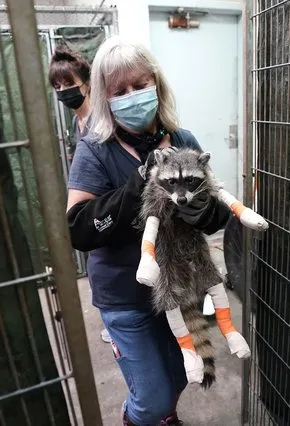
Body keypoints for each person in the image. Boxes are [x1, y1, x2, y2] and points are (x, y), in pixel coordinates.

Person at [65, 36, 230, 426]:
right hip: (125, 295)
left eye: (139, 85)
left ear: (156, 83)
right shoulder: (95, 149)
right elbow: (80, 229)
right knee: (152, 398)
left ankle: (163, 414)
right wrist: (142, 183)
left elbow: (218, 219)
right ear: (106, 97)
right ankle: (135, 418)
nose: (132, 95)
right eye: (119, 90)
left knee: (178, 374)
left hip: (177, 290)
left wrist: (202, 209)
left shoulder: (184, 140)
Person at [48, 44, 113, 344]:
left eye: (69, 84)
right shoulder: (78, 121)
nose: (63, 91)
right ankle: (112, 323)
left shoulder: (103, 120)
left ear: (87, 84)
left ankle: (117, 328)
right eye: (58, 86)